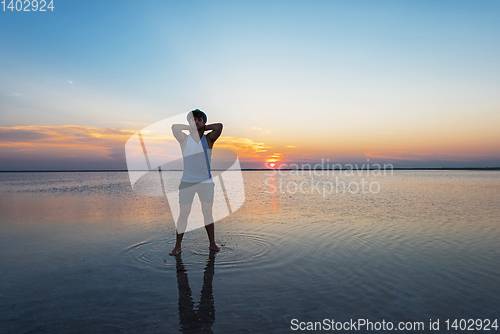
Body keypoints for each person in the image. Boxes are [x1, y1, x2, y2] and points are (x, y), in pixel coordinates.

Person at [169, 109, 223, 256]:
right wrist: (191, 128)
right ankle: (178, 246)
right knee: (184, 214)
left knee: (207, 213)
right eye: (193, 119)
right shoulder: (184, 140)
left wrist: (202, 128)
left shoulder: (208, 139)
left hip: (206, 183)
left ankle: (212, 244)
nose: (196, 121)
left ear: (204, 122)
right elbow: (174, 127)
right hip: (187, 182)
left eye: (199, 119)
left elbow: (219, 126)